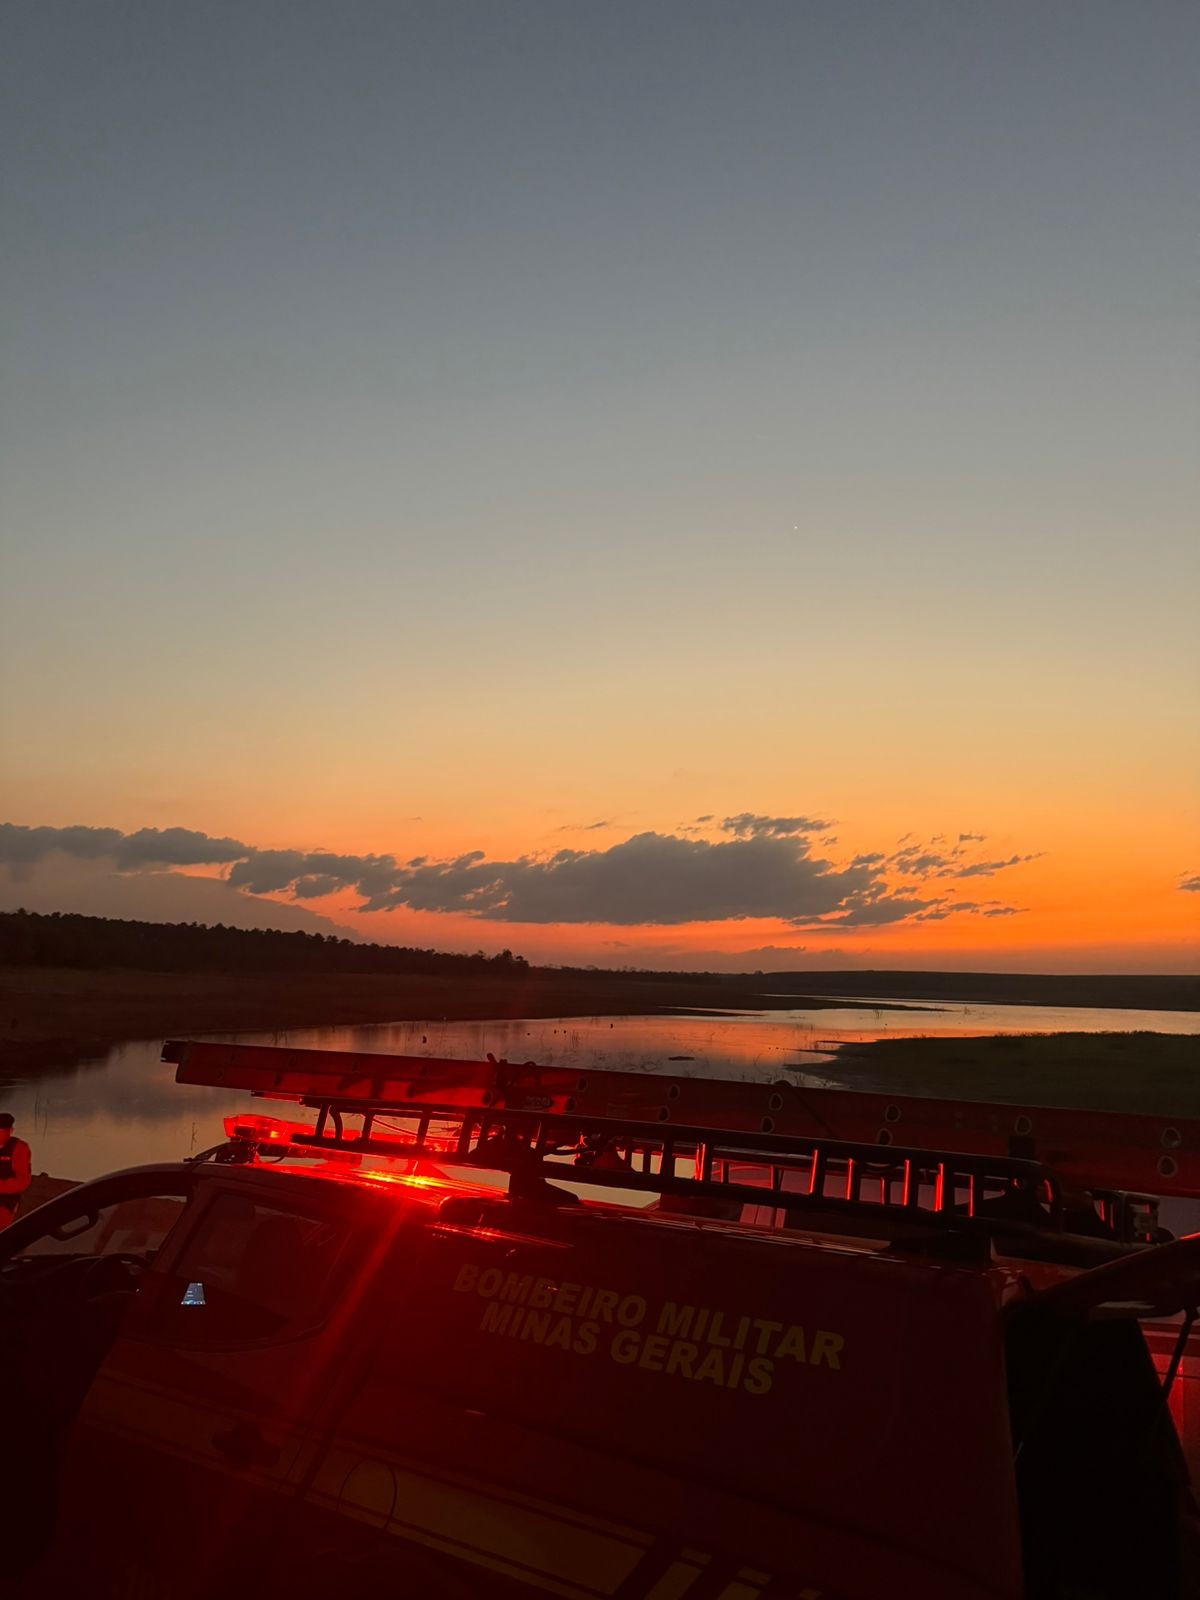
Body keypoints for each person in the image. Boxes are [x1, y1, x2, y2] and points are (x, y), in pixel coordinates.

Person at [0, 1112, 32, 1230]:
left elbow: (22, 1182)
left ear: (11, 1131)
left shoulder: (19, 1148)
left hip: (5, 1201)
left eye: (1, 1131)